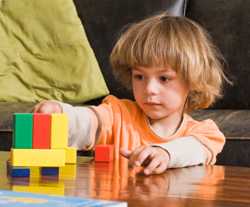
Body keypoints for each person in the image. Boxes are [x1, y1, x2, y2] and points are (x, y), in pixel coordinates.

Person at [34, 12, 229, 175]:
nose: (149, 89)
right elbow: (90, 121)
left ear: (192, 80)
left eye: (164, 78)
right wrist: (61, 114)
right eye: (139, 77)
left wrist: (164, 153)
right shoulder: (118, 115)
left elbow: (194, 149)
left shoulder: (205, 134)